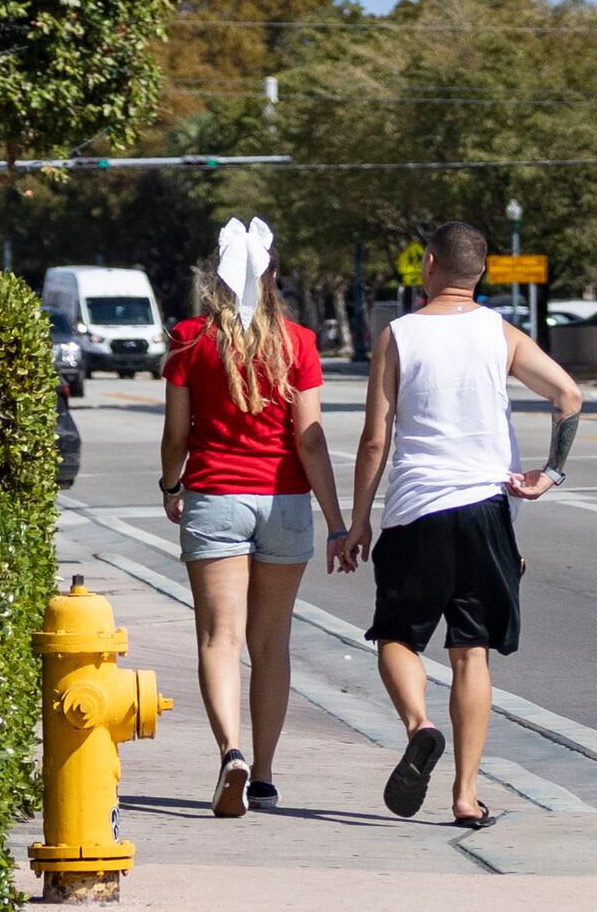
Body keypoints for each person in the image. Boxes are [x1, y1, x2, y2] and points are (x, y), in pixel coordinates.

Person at [333, 220, 588, 831]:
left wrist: (356, 522)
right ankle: (466, 797)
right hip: (488, 512)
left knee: (397, 636)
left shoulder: (397, 336)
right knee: (471, 654)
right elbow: (569, 396)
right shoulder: (501, 333)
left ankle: (420, 726)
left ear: (428, 264)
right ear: (480, 274)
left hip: (418, 510)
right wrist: (551, 472)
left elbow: (375, 438)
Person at [159, 220, 350, 818]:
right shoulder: (299, 342)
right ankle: (264, 776)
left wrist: (171, 485)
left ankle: (231, 754)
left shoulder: (189, 339)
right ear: (271, 276)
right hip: (286, 501)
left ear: (214, 277)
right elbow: (311, 442)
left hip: (215, 496)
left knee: (219, 639)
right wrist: (338, 521)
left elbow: (174, 434)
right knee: (271, 644)